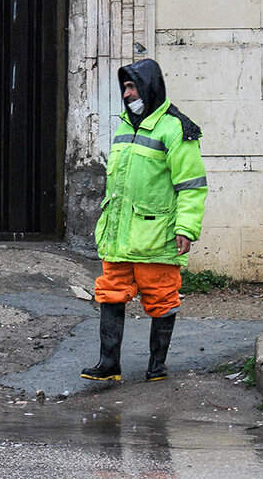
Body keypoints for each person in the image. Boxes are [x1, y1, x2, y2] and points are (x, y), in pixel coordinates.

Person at [82, 58, 207, 382]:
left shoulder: (176, 129)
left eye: (132, 86)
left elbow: (191, 186)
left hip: (155, 236)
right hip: (119, 235)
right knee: (109, 292)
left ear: (148, 88)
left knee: (162, 297)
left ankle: (157, 366)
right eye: (124, 87)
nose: (127, 93)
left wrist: (186, 229)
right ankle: (109, 365)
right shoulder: (125, 126)